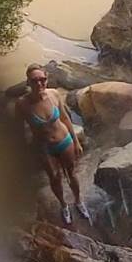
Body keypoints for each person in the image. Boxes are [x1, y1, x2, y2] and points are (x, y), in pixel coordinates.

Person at [17, 64, 90, 226]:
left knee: (71, 173)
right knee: (55, 178)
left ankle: (78, 201)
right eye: (34, 80)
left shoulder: (54, 94)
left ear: (47, 79)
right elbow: (18, 129)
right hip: (44, 147)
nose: (39, 84)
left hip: (64, 141)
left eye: (42, 80)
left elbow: (65, 118)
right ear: (28, 82)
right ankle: (64, 205)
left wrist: (76, 141)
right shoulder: (22, 104)